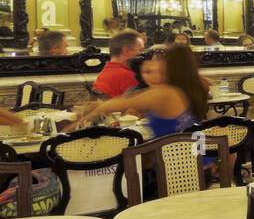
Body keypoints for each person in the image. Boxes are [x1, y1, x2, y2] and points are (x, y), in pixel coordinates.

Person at [74, 43, 207, 138]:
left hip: (178, 168)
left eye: (158, 63)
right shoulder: (182, 89)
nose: (152, 65)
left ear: (168, 68)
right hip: (187, 160)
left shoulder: (166, 93)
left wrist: (95, 108)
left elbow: (122, 103)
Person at [93, 29, 145, 98]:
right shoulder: (128, 76)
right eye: (140, 50)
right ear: (126, 51)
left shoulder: (105, 73)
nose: (142, 54)